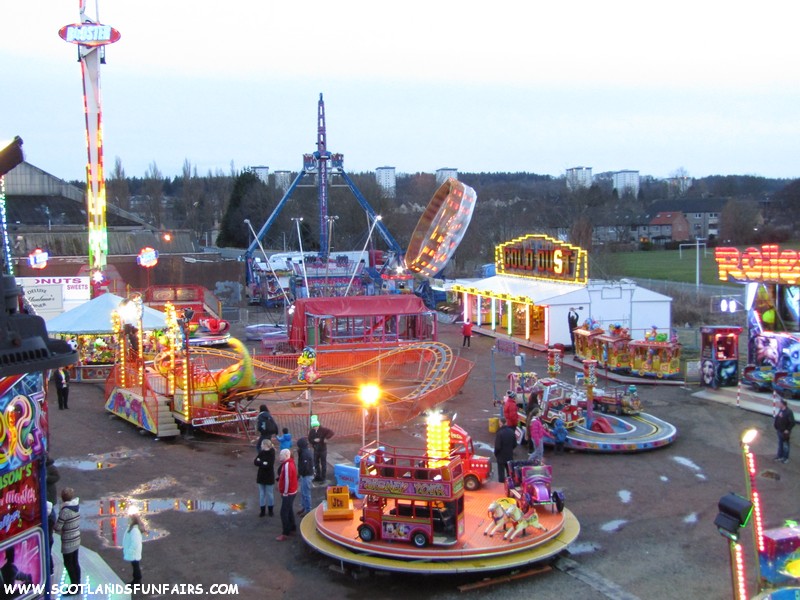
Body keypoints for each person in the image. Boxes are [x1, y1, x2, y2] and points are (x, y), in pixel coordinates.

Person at [54, 487, 81, 589]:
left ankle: (74, 586)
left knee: (68, 564)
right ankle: (78, 583)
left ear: (62, 498)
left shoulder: (65, 511)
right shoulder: (76, 506)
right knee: (75, 562)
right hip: (76, 538)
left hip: (68, 542)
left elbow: (58, 527)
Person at [275, 449, 298, 542]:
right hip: (291, 492)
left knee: (283, 512)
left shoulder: (287, 465)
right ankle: (292, 528)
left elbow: (287, 480)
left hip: (288, 493)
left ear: (286, 455)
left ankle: (285, 533)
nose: (279, 456)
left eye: (281, 455)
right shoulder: (289, 463)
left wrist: (284, 492)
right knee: (289, 510)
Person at [308, 415, 334, 483]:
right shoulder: (312, 431)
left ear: (318, 425)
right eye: (314, 427)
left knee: (323, 464)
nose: (315, 428)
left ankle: (323, 477)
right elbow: (309, 439)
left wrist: (325, 438)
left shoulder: (323, 429)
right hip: (316, 450)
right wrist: (314, 441)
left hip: (323, 450)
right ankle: (317, 476)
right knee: (316, 463)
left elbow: (331, 432)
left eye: (316, 426)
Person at [122, 513, 146, 586]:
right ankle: (136, 581)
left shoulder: (134, 530)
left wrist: (130, 551)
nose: (127, 520)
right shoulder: (133, 528)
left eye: (129, 519)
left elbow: (135, 543)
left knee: (136, 566)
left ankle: (137, 582)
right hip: (134, 552)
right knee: (135, 566)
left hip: (133, 552)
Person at [254, 438, 276, 517]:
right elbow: (255, 461)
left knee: (269, 494)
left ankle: (270, 510)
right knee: (262, 494)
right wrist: (263, 463)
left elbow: (269, 465)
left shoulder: (271, 453)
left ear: (266, 445)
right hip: (261, 476)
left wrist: (260, 462)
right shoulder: (261, 452)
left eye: (262, 444)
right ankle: (262, 510)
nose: (261, 446)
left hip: (268, 476)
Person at [493, 417, 517, 483]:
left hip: (501, 456)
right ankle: (510, 483)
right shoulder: (512, 432)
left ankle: (501, 485)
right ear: (506, 423)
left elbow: (497, 446)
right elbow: (515, 444)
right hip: (509, 455)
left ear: (500, 424)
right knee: (509, 471)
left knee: (501, 473)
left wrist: (496, 454)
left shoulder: (499, 433)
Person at [296, 437, 314, 517]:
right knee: (304, 493)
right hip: (305, 475)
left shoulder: (304, 454)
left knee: (306, 493)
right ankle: (304, 507)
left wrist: (300, 473)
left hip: (306, 476)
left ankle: (308, 510)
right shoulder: (305, 452)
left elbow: (305, 467)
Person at [774, 398, 795, 463]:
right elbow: (778, 417)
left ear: (783, 404)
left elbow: (792, 422)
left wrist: (787, 430)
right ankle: (780, 456)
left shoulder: (789, 412)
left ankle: (785, 458)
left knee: (785, 445)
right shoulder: (781, 410)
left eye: (780, 403)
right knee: (780, 444)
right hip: (779, 430)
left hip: (785, 432)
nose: (779, 404)